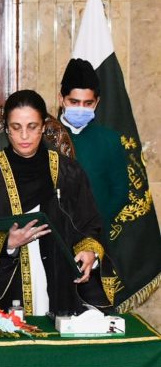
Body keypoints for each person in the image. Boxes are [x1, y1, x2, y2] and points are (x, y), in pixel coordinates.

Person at [0, 89, 111, 317]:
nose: (24, 136)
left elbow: (90, 223)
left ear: (44, 126)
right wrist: (7, 244)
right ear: (6, 128)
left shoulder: (68, 172)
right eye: (16, 128)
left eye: (32, 127)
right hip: (8, 287)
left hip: (62, 283)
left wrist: (89, 252)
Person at [59, 58, 128, 238]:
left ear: (96, 103)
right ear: (61, 99)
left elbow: (120, 193)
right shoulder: (44, 136)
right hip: (51, 237)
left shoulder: (110, 140)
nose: (81, 108)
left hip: (96, 236)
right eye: (74, 102)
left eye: (88, 103)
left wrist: (94, 225)